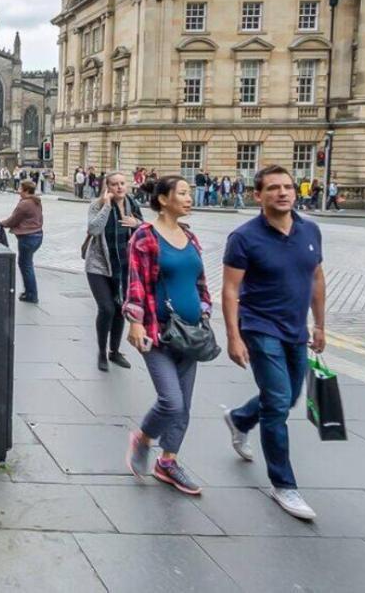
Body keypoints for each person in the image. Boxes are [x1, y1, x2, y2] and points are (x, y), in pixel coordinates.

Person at [221, 164, 326, 521]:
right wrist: (234, 336)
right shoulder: (244, 237)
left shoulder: (310, 230)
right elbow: (231, 289)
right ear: (258, 195)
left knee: (289, 396)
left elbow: (316, 278)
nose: (282, 193)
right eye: (273, 188)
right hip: (259, 326)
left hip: (295, 329)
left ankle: (239, 418)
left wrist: (321, 325)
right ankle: (284, 485)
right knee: (279, 403)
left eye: (288, 187)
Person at [125, 175, 210, 495]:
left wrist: (204, 310)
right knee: (171, 401)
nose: (190, 198)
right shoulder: (145, 237)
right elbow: (136, 283)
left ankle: (168, 462)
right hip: (157, 333)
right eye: (184, 193)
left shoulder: (190, 236)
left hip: (190, 334)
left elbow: (199, 281)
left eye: (190, 193)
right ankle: (143, 439)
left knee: (184, 405)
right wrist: (135, 321)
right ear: (163, 199)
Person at [84, 172, 141, 372]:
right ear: (107, 187)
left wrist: (138, 224)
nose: (119, 187)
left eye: (122, 184)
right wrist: (107, 206)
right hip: (98, 265)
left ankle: (114, 351)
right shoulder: (97, 205)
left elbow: (145, 232)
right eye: (114, 184)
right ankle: (101, 352)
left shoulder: (132, 205)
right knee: (106, 308)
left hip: (124, 266)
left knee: (119, 308)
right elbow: (93, 229)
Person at [1, 180, 44, 303]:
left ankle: (31, 294)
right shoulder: (36, 201)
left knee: (26, 265)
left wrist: (0, 223)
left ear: (26, 190)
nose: (19, 191)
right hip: (37, 235)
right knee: (26, 264)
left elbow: (13, 220)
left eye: (21, 188)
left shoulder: (24, 204)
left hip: (28, 237)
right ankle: (29, 292)